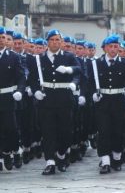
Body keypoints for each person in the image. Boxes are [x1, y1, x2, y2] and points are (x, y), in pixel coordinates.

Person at [29, 29, 81, 175]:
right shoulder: (39, 58)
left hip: (64, 99)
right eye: (52, 40)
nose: (55, 42)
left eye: (58, 40)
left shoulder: (69, 56)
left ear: (61, 42)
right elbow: (32, 79)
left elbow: (79, 71)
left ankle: (62, 155)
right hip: (46, 100)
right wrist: (35, 91)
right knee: (48, 131)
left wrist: (69, 72)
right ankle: (50, 162)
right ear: (47, 42)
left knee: (65, 131)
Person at [90, 34, 125, 174]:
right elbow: (90, 81)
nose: (113, 49)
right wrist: (93, 93)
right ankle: (105, 161)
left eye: (116, 46)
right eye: (110, 46)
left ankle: (116, 157)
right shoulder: (96, 63)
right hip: (103, 102)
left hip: (118, 101)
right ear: (104, 48)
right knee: (103, 132)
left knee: (118, 131)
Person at [0, 27, 26, 171]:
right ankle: (3, 155)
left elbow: (21, 76)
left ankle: (15, 150)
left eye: (3, 37)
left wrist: (20, 91)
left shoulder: (13, 57)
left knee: (11, 128)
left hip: (8, 97)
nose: (1, 40)